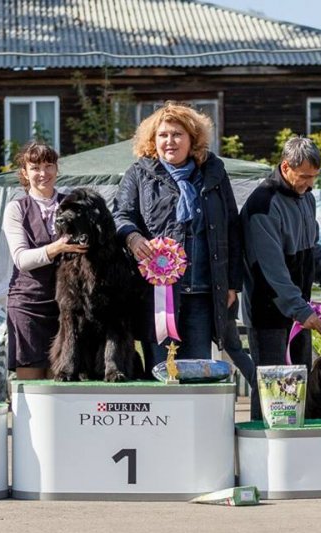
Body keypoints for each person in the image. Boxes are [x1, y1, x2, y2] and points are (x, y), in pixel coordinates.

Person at [112, 102, 258, 416]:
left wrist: (232, 283)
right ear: (153, 139)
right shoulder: (138, 173)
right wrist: (132, 236)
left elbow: (232, 228)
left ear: (192, 138)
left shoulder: (214, 173)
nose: (170, 141)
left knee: (197, 375)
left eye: (177, 134)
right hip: (157, 297)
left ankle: (195, 444)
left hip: (205, 294)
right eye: (163, 135)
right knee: (160, 374)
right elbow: (120, 215)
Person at [241, 136, 321, 377]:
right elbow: (272, 271)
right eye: (304, 177)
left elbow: (313, 248)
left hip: (298, 310)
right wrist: (301, 310)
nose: (310, 184)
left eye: (314, 177)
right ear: (286, 166)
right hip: (268, 314)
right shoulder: (263, 203)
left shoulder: (306, 198)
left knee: (301, 381)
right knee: (272, 387)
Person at [3, 142, 88, 380]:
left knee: (62, 376)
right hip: (27, 304)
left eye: (49, 165)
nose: (43, 173)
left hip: (67, 304)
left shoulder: (73, 205)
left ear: (57, 169)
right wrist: (58, 247)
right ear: (24, 173)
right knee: (30, 379)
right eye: (35, 167)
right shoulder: (15, 209)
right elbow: (22, 259)